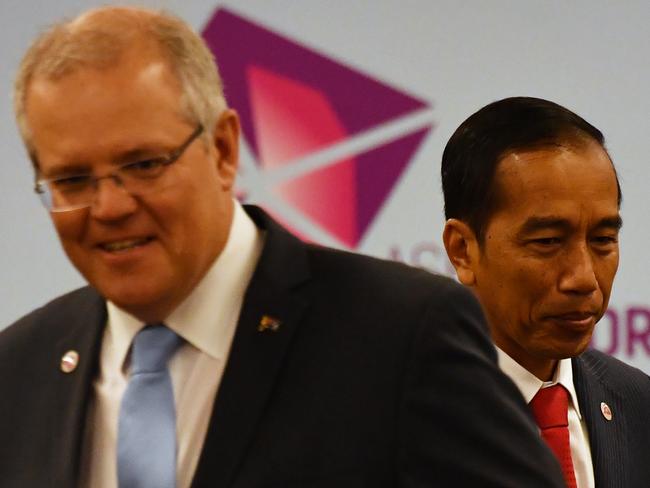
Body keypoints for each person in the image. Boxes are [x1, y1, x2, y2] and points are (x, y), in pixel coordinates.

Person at [0, 8, 564, 487]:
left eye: (144, 165)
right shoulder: (19, 368)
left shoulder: (403, 335)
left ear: (223, 150)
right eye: (73, 181)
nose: (109, 206)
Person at [442, 96, 650, 488]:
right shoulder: (386, 421)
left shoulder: (638, 406)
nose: (584, 278)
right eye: (549, 242)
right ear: (463, 250)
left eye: (603, 239)